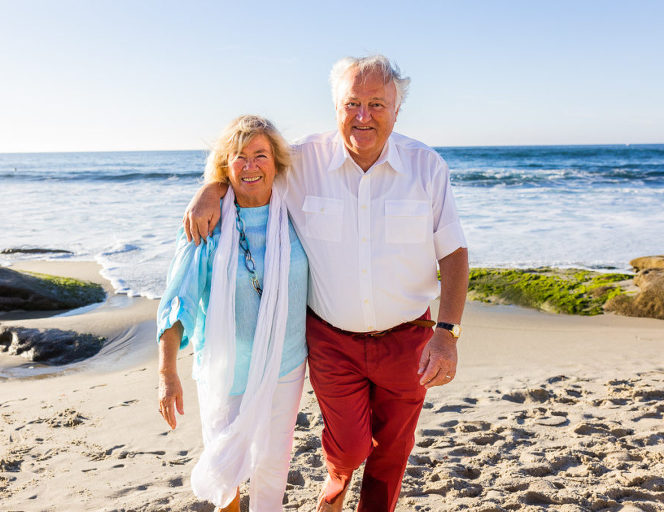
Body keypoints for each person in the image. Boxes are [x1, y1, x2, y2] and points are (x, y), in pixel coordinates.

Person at [183, 55, 469, 512]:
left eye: (377, 104)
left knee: (393, 451)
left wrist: (447, 334)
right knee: (351, 447)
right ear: (335, 106)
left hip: (409, 338)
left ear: (397, 110)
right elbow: (250, 174)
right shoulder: (301, 161)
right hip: (332, 341)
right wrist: (210, 189)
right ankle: (334, 485)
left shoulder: (427, 167)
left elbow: (453, 253)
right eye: (352, 103)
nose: (363, 116)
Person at [156, 115, 309, 512]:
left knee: (273, 467)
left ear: (276, 162)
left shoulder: (298, 211)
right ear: (225, 165)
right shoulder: (206, 222)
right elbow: (179, 299)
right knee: (226, 474)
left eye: (260, 155)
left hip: (286, 364)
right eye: (239, 157)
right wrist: (167, 373)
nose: (250, 165)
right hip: (226, 369)